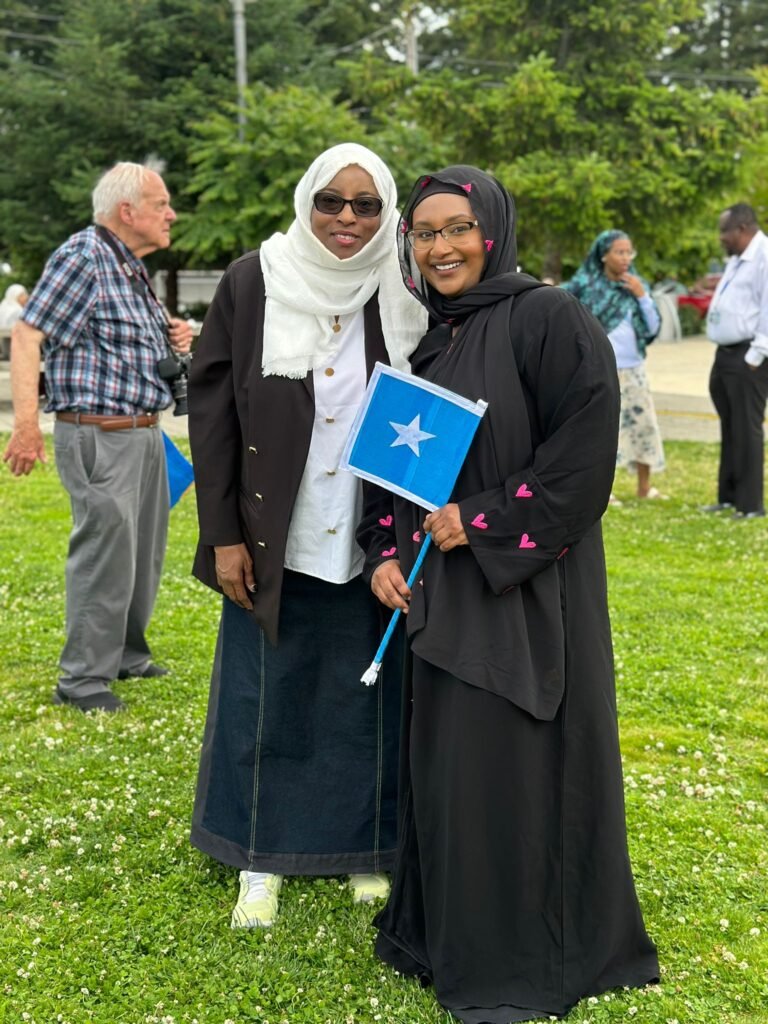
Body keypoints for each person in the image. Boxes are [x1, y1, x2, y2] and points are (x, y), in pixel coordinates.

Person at [358, 166, 659, 1023]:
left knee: (513, 769)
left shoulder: (549, 318)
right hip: (440, 597)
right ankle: (441, 934)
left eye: (456, 228)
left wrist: (483, 521)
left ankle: (521, 956)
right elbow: (400, 479)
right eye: (423, 233)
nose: (440, 246)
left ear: (492, 231)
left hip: (526, 596)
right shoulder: (432, 341)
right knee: (449, 769)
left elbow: (581, 459)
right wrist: (387, 548)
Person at [187, 143, 426, 930]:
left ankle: (366, 848)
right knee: (270, 689)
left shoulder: (401, 287)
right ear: (305, 202)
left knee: (368, 694)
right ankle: (260, 854)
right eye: (331, 201)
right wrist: (224, 534)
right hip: (270, 527)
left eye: (367, 205)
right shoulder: (254, 280)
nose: (348, 220)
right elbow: (214, 414)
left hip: (368, 529)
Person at [2, 162, 193, 712]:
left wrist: (172, 333)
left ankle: (127, 655)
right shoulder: (84, 255)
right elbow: (27, 334)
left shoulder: (127, 266)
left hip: (143, 433)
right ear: (127, 211)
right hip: (100, 434)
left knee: (141, 554)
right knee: (104, 554)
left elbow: (123, 344)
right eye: (161, 204)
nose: (170, 213)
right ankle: (83, 679)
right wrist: (25, 426)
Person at [562, 230, 666, 500]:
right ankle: (602, 491)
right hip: (599, 371)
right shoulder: (586, 286)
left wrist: (642, 296)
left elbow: (653, 327)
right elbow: (566, 317)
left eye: (629, 252)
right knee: (603, 431)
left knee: (643, 427)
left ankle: (645, 488)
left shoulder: (634, 286)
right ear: (604, 254)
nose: (625, 258)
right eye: (619, 252)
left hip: (634, 371)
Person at [703, 203, 768, 519]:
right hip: (726, 353)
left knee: (747, 428)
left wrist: (756, 356)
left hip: (748, 356)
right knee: (730, 426)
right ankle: (727, 497)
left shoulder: (763, 257)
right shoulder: (736, 260)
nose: (721, 238)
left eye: (724, 231)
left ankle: (750, 504)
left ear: (742, 229)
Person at [0, 283, 29, 358]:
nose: (27, 297)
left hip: (5, 350)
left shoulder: (3, 307)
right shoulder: (18, 310)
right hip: (16, 351)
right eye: (23, 295)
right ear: (15, 297)